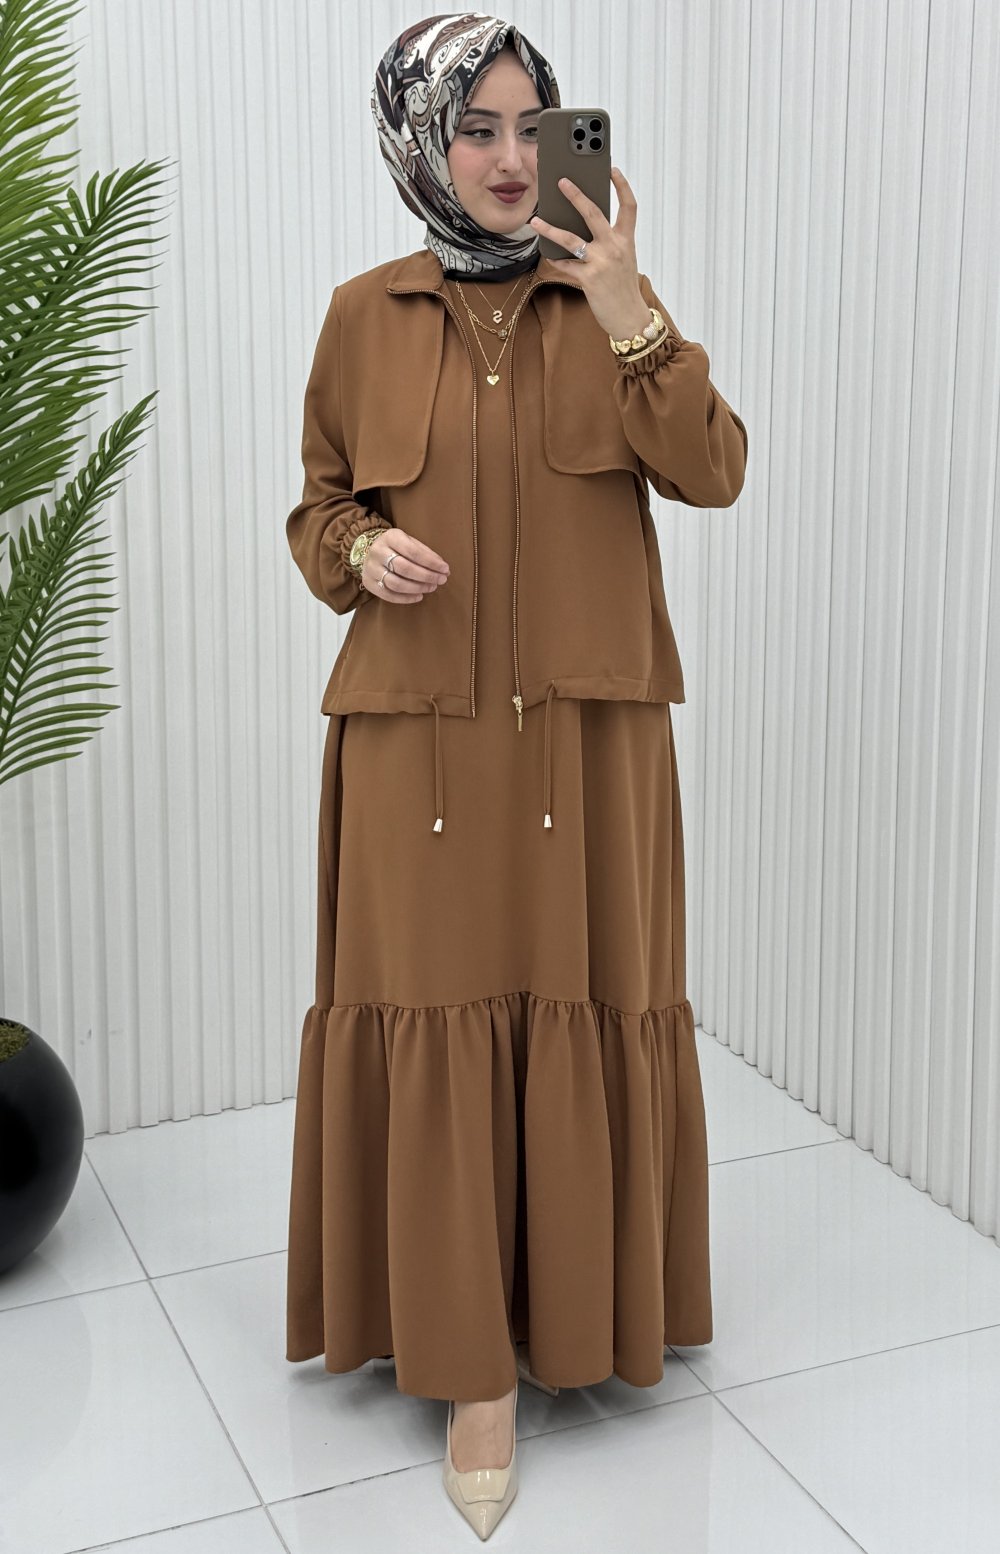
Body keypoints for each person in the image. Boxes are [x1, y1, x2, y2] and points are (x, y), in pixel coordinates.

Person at [284, 12, 747, 1540]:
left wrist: (627, 311)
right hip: (415, 741)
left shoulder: (610, 297)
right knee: (432, 1007)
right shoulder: (362, 316)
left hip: (588, 745)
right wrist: (361, 550)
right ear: (420, 141)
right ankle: (470, 1367)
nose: (501, 158)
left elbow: (714, 468)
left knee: (585, 993)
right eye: (472, 127)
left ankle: (589, 1308)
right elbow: (315, 511)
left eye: (525, 126)